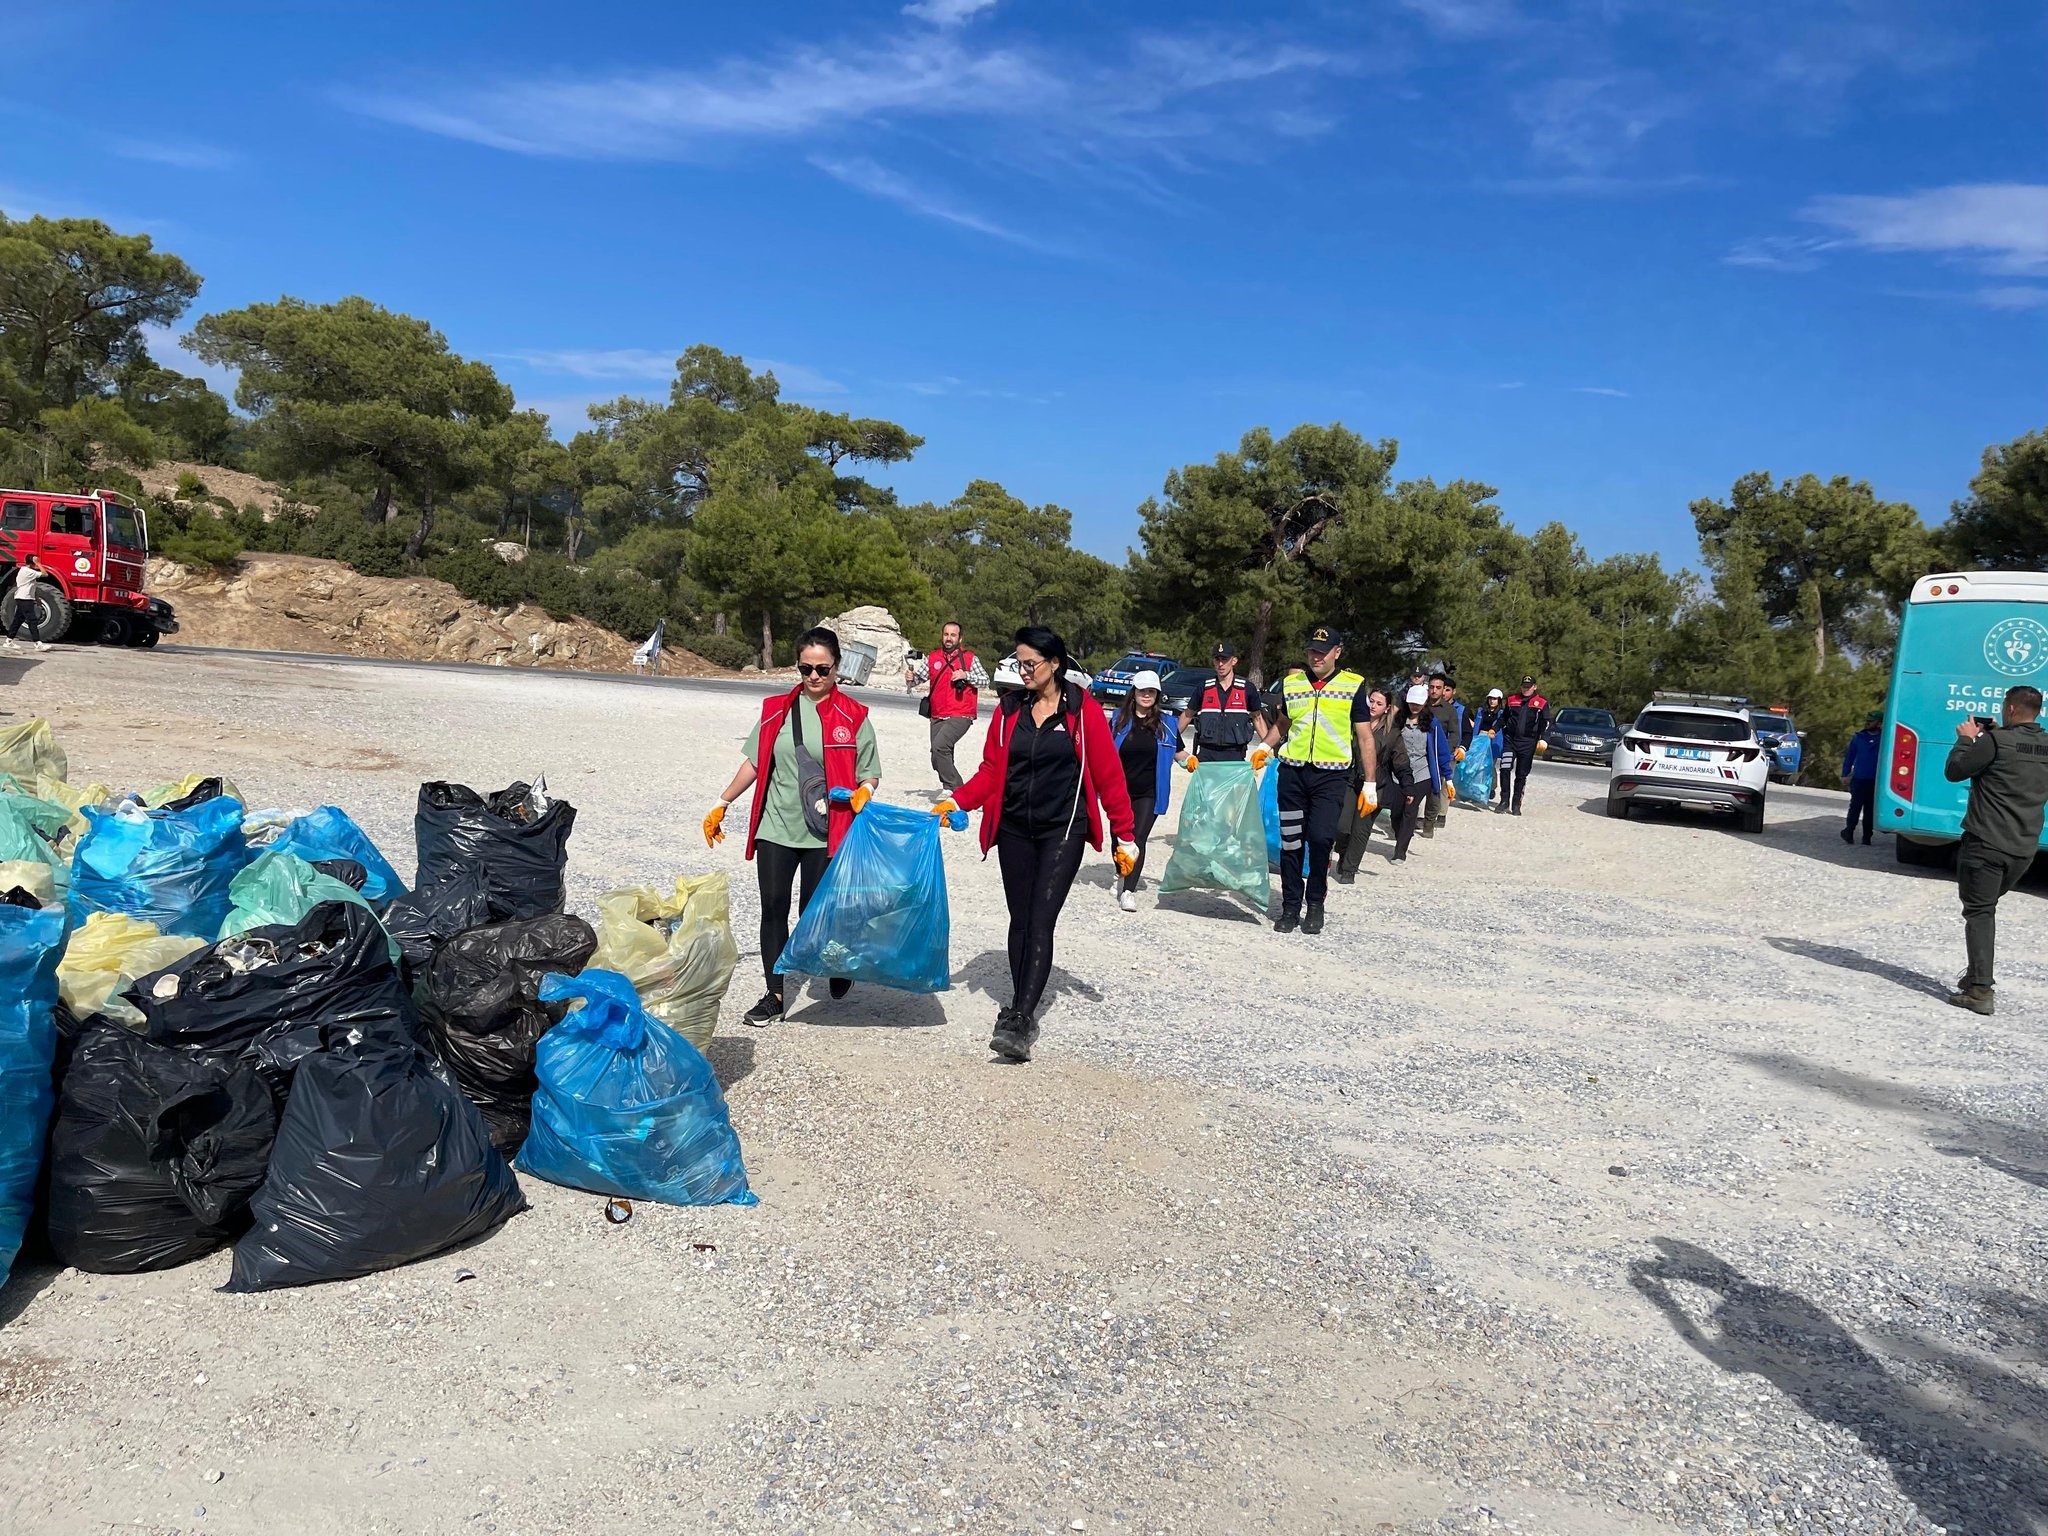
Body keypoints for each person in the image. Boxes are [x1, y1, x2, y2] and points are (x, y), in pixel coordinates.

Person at [937, 626, 1137, 1063]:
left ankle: (1021, 1017)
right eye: (1019, 662)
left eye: (1031, 664)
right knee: (1020, 919)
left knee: (1041, 919)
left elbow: (1108, 776)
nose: (1023, 671)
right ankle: (1018, 998)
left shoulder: (1083, 714)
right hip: (1013, 828)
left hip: (1063, 829)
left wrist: (1126, 834)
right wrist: (959, 800)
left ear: (1055, 664)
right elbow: (992, 770)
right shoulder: (1010, 710)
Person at [705, 627, 881, 1025]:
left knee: (814, 912)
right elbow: (754, 762)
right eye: (806, 668)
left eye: (823, 669)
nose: (815, 677)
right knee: (773, 907)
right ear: (797, 666)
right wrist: (722, 802)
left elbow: (869, 772)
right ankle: (775, 994)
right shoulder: (775, 710)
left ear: (838, 667)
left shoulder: (853, 717)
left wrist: (862, 793)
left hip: (825, 830)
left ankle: (836, 962)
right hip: (776, 826)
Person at [1259, 625, 1374, 934]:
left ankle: (1316, 903)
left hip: (1331, 777)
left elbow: (1365, 737)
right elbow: (1283, 722)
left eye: (1323, 652)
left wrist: (1371, 784)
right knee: (1291, 842)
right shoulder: (1292, 683)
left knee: (1322, 838)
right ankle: (1290, 906)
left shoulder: (1353, 686)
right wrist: (1263, 746)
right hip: (1293, 774)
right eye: (1312, 651)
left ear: (1337, 652)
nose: (1316, 656)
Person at [1943, 685, 2048, 1016]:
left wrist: (1965, 739)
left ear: (2012, 710)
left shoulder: (1995, 741)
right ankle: (1976, 975)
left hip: (1986, 843)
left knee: (1979, 911)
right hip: (2024, 847)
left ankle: (1980, 990)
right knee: (1985, 907)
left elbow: (1955, 771)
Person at [1111, 671, 1177, 911]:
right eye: (1142, 691)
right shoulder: (1118, 719)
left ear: (1157, 695)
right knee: (1119, 838)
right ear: (1134, 693)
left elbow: (1177, 751)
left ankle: (1128, 890)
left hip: (1150, 791)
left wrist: (1191, 762)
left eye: (1151, 691)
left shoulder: (1167, 724)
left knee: (1138, 838)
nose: (1146, 695)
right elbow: (1104, 749)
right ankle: (1121, 872)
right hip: (1119, 790)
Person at [914, 621, 989, 797]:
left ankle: (957, 788)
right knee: (937, 755)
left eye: (953, 635)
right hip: (938, 713)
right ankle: (949, 788)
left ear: (959, 638)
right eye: (946, 634)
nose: (949, 638)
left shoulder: (970, 658)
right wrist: (911, 678)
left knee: (941, 746)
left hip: (962, 712)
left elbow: (985, 681)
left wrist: (966, 675)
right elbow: (918, 679)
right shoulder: (933, 658)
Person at [1333, 687, 1398, 882]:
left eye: (1379, 703)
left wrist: (1408, 785)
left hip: (1374, 787)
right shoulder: (1352, 724)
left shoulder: (1391, 734)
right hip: (1350, 781)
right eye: (1372, 701)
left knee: (1361, 831)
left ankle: (1349, 870)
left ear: (1386, 709)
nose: (1374, 706)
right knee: (1342, 826)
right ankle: (1342, 851)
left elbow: (1400, 760)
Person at [1179, 641, 1269, 765]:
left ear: (1234, 661)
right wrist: (1172, 741)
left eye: (1225, 659)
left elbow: (1257, 718)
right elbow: (1187, 715)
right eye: (1217, 659)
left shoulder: (1246, 688)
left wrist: (1267, 747)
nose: (1220, 664)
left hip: (1235, 754)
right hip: (1206, 754)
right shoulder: (1204, 688)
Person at [1388, 684, 1450, 862]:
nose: (1414, 706)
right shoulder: (1398, 721)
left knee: (1410, 811)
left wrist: (1448, 777)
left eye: (1418, 703)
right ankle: (1403, 835)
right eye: (1412, 703)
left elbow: (1441, 751)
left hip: (1422, 774)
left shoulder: (1432, 724)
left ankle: (1400, 852)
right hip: (1399, 773)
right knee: (1396, 812)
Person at [1497, 674, 1551, 815]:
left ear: (1534, 687)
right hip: (1510, 740)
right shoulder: (1511, 700)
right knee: (1504, 768)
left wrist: (1544, 738)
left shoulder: (1542, 703)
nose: (1526, 689)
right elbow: (1504, 718)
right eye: (1524, 686)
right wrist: (1494, 729)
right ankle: (1504, 801)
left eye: (1529, 687)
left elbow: (1546, 723)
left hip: (1528, 742)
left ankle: (1516, 804)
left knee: (1521, 774)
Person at [1424, 671, 1469, 835]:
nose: (1434, 690)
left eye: (1438, 687)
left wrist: (1446, 751)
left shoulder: (1449, 710)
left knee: (1435, 790)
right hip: (1419, 754)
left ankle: (1429, 823)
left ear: (1444, 690)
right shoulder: (1421, 704)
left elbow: (1455, 733)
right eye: (1431, 687)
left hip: (1438, 755)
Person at [1840, 710, 1882, 845]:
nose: (1868, 723)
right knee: (1855, 807)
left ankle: (1867, 837)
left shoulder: (1884, 739)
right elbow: (1850, 757)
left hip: (1875, 780)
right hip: (1859, 779)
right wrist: (1845, 774)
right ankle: (1849, 832)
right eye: (1868, 720)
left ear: (1879, 723)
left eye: (1872, 720)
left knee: (1870, 809)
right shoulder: (1859, 737)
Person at [4, 555, 50, 652]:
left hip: (23, 597)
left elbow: (31, 585)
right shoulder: (28, 571)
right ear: (32, 561)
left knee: (18, 620)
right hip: (25, 598)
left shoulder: (26, 571)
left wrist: (36, 598)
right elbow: (45, 574)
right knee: (32, 620)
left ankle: (8, 641)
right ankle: (38, 643)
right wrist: (39, 563)